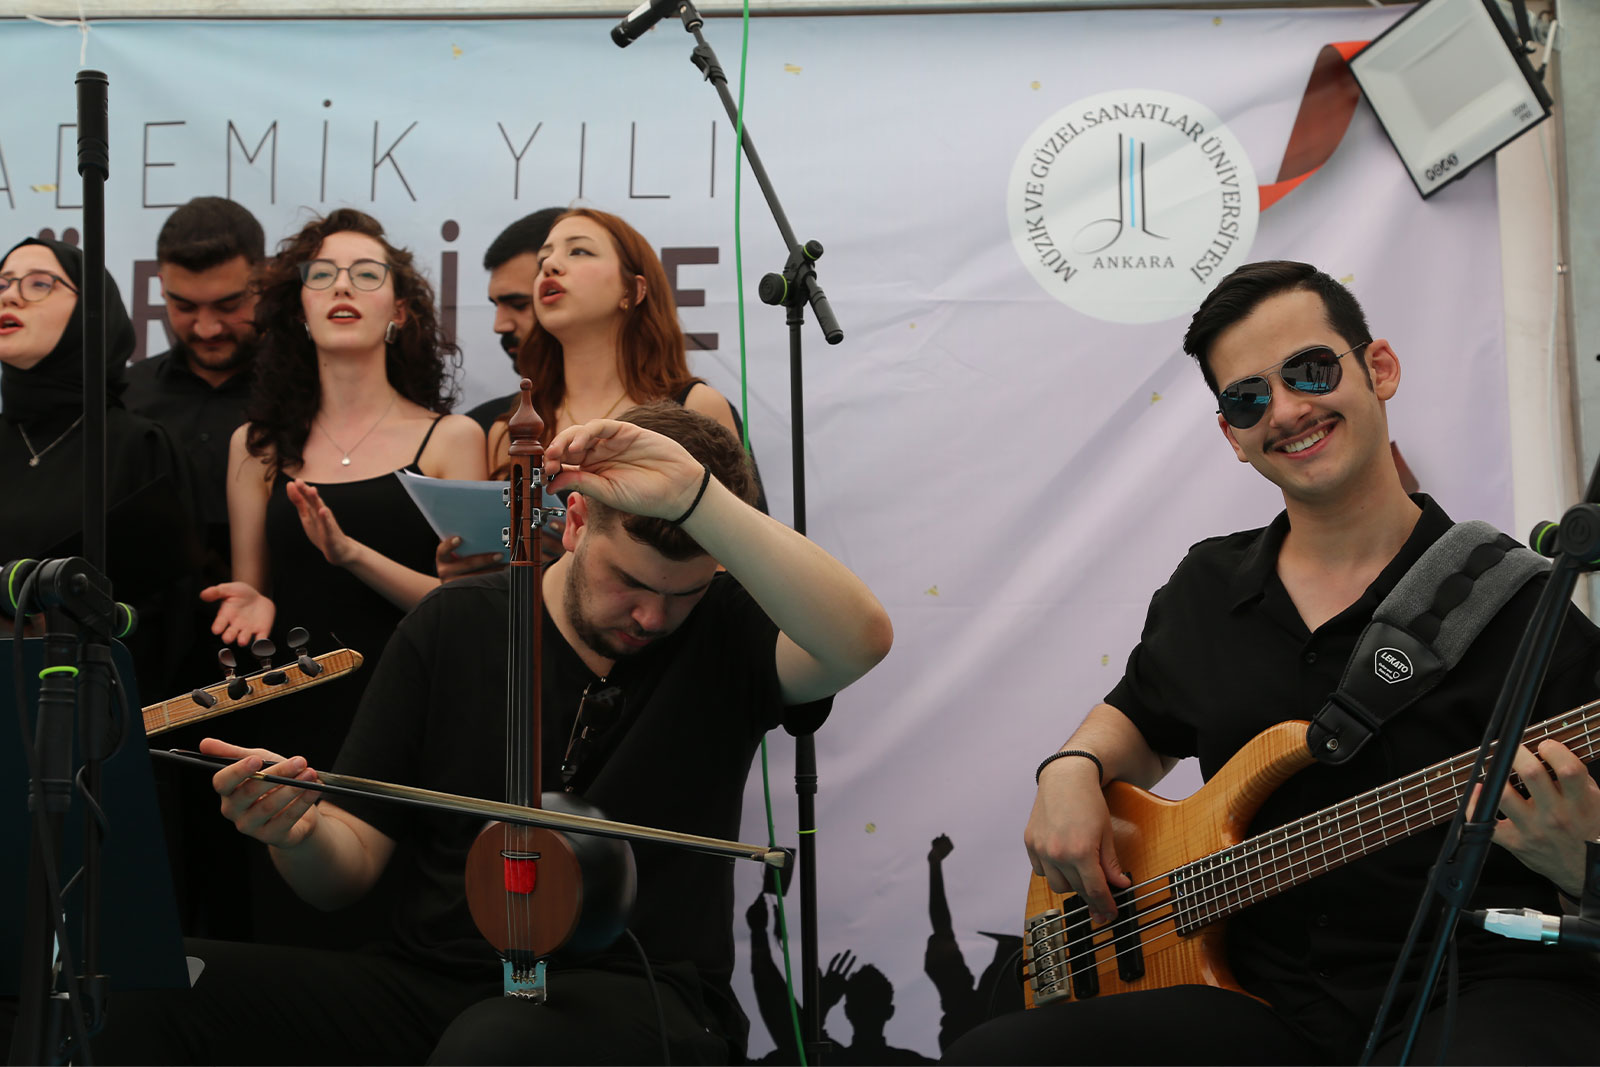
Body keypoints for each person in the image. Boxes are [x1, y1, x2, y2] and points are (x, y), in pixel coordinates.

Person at [91, 401, 893, 1065]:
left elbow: (861, 639)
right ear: (574, 521)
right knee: (144, 989)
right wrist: (294, 831)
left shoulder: (728, 632)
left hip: (639, 997)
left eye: (681, 593)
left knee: (498, 1042)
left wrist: (698, 500)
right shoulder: (454, 623)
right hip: (434, 981)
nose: (652, 615)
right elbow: (347, 864)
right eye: (628, 581)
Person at [946, 262, 1600, 1065]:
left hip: (1479, 987)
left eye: (1311, 370)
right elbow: (1139, 717)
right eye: (1249, 399)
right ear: (1232, 435)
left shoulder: (1524, 605)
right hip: (1261, 1002)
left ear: (1380, 369)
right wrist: (1071, 767)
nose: (1287, 410)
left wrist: (1585, 861)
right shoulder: (1207, 585)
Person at [198, 209, 485, 946]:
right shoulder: (256, 447)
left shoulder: (451, 438)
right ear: (299, 308)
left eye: (366, 273)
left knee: (406, 934)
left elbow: (468, 611)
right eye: (321, 274)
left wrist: (350, 553)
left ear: (401, 309)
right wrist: (251, 599)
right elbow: (255, 586)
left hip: (413, 720)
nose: (342, 286)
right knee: (291, 937)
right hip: (293, 720)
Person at [441, 206, 763, 577]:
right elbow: (500, 577)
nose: (550, 265)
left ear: (633, 290)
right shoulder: (510, 430)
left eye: (579, 251)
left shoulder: (695, 406)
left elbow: (738, 558)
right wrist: (464, 577)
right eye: (544, 259)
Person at [0, 236, 197, 699]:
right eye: (4, 283)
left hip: (96, 708)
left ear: (91, 312)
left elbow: (170, 611)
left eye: (38, 284)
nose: (10, 297)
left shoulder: (137, 445)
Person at [123, 197, 265, 594]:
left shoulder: (310, 393)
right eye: (184, 306)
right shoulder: (124, 397)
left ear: (264, 281)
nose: (207, 328)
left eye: (228, 305)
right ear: (161, 287)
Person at [461, 206, 565, 433]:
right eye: (496, 305)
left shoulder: (646, 423)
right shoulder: (484, 430)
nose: (499, 326)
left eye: (519, 305)